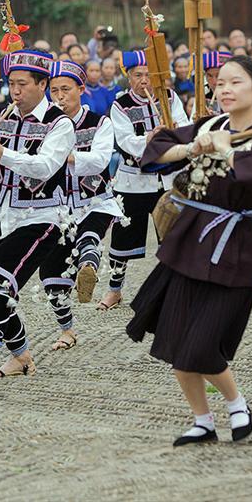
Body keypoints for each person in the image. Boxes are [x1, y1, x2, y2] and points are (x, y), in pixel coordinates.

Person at [126, 56, 252, 446]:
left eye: (236, 82)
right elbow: (158, 145)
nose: (225, 90)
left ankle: (236, 403)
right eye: (220, 83)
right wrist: (192, 147)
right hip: (189, 243)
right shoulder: (210, 125)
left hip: (235, 247)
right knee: (176, 341)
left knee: (202, 344)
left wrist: (228, 150)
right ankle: (202, 421)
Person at [0, 49, 74, 379]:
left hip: (41, 217)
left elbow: (44, 167)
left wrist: (1, 153)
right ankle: (22, 357)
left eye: (22, 84)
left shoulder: (60, 122)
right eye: (11, 84)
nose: (15, 91)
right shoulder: (5, 118)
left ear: (43, 84)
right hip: (1, 215)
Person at [39, 60, 124, 350]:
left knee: (90, 234)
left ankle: (88, 264)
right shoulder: (43, 124)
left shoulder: (100, 122)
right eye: (54, 90)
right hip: (58, 207)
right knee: (50, 274)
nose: (60, 96)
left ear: (81, 89)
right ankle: (67, 330)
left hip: (95, 200)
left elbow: (100, 160)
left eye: (66, 89)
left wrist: (63, 154)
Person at [101, 50, 190, 310]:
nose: (144, 81)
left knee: (173, 231)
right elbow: (125, 141)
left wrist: (172, 128)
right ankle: (115, 289)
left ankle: (176, 287)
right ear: (128, 77)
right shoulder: (120, 105)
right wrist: (150, 138)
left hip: (167, 178)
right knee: (123, 235)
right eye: (138, 75)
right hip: (134, 180)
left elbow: (184, 127)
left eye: (149, 75)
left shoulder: (169, 97)